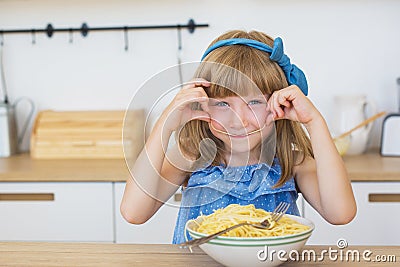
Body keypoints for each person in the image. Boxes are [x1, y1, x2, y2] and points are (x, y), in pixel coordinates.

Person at [120, 30, 357, 244]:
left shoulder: (292, 162)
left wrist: (314, 122)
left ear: (280, 102)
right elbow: (134, 212)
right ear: (203, 105)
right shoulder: (191, 155)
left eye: (254, 102)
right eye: (223, 103)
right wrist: (165, 124)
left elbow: (341, 214)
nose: (239, 120)